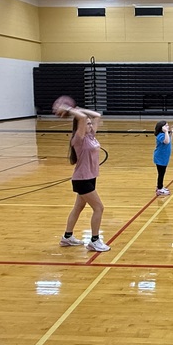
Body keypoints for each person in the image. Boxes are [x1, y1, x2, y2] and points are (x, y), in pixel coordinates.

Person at [58, 103, 110, 252]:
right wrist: (69, 109)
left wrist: (80, 110)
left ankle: (67, 237)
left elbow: (97, 115)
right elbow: (80, 118)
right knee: (99, 208)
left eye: (90, 123)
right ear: (80, 126)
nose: (90, 125)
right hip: (82, 180)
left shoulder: (91, 136)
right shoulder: (79, 139)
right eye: (87, 124)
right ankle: (94, 241)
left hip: (90, 177)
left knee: (78, 207)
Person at [154, 120, 173, 195]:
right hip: (160, 157)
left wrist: (171, 132)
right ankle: (159, 189)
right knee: (161, 173)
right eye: (166, 126)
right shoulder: (160, 135)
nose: (167, 127)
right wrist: (166, 132)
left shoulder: (164, 134)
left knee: (162, 172)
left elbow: (169, 140)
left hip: (164, 157)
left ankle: (160, 186)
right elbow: (166, 142)